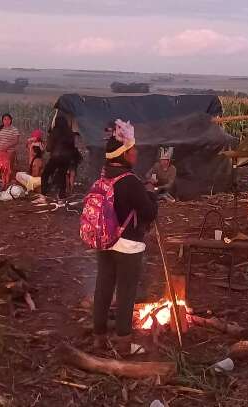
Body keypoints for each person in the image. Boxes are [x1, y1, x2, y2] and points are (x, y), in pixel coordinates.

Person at [92, 119, 158, 354]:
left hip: (104, 240)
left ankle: (98, 338)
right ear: (124, 154)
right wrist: (151, 192)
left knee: (103, 287)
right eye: (133, 149)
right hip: (128, 245)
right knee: (126, 292)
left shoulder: (103, 177)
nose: (136, 152)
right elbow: (149, 213)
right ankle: (123, 344)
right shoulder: (130, 182)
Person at [41, 116, 82, 199]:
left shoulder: (54, 132)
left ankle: (44, 192)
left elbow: (49, 148)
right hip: (66, 158)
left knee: (45, 174)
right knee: (62, 175)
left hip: (56, 157)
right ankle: (61, 194)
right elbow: (73, 147)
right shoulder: (70, 133)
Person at [0, 113, 20, 187]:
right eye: (5, 119)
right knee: (2, 169)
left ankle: (8, 183)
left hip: (10, 152)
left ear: (11, 120)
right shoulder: (0, 129)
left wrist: (7, 146)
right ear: (2, 120)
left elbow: (16, 141)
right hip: (1, 152)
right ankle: (3, 182)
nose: (6, 121)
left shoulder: (14, 130)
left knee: (9, 169)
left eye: (8, 119)